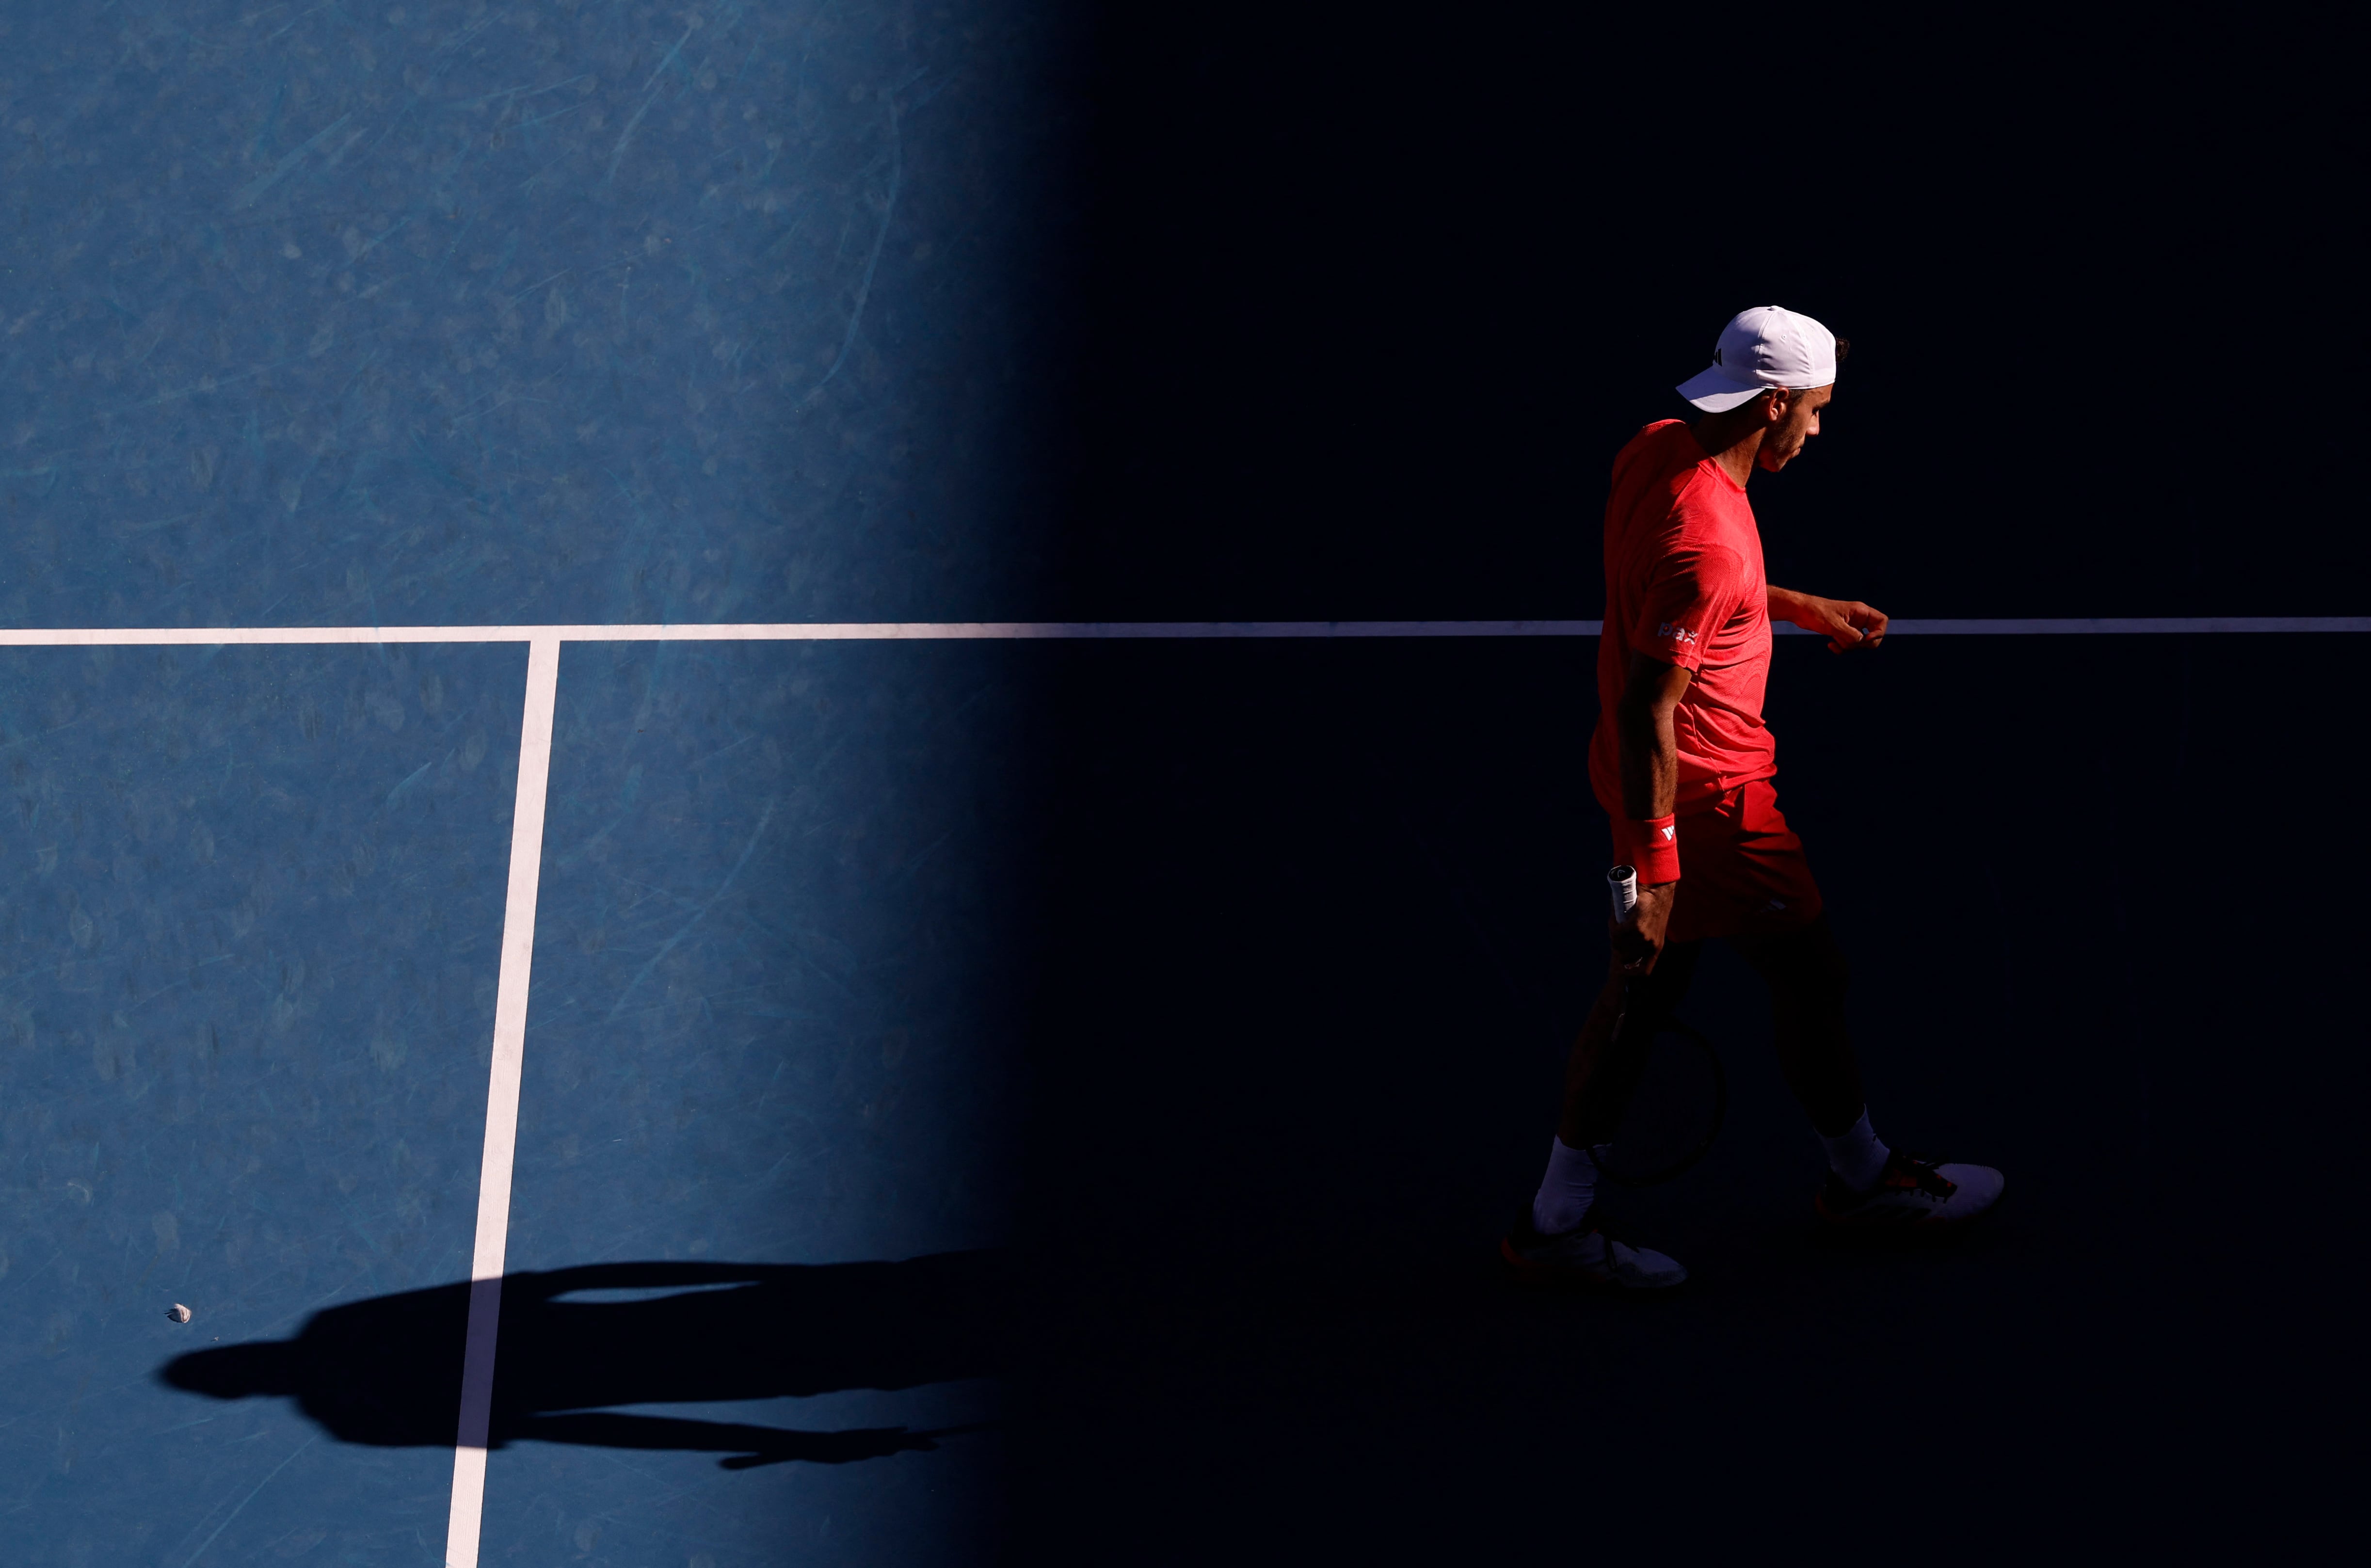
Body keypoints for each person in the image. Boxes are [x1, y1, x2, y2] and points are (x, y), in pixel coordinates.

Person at [1502, 307, 2003, 1289]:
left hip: (1645, 776)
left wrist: (1793, 605)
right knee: (1810, 976)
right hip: (1713, 804)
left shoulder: (1657, 451)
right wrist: (1652, 872)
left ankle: (1558, 1217)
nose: (1817, 432)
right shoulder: (1712, 547)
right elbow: (1659, 699)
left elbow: (1678, 596)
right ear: (1772, 403)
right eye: (1813, 413)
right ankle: (1862, 1184)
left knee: (1650, 996)